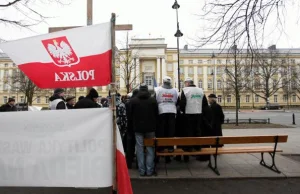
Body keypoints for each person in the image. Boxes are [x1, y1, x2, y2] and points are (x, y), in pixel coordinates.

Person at [128, 84, 158, 176]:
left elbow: (129, 116)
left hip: (138, 128)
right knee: (150, 149)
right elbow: (156, 114)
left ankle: (141, 170)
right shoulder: (153, 100)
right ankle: (149, 170)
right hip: (150, 128)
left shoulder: (133, 101)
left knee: (139, 149)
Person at [180, 78, 208, 160]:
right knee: (197, 130)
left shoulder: (185, 90)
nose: (185, 84)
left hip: (188, 113)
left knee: (189, 131)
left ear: (188, 83)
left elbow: (182, 103)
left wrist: (182, 111)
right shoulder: (200, 90)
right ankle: (198, 147)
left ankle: (189, 147)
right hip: (198, 113)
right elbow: (205, 103)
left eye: (185, 83)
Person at [155, 76, 178, 163]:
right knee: (170, 131)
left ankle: (161, 147)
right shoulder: (174, 90)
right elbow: (176, 100)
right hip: (172, 111)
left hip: (162, 111)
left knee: (162, 131)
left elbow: (156, 100)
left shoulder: (159, 90)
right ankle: (170, 147)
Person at [125, 89, 139, 169]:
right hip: (137, 126)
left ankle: (128, 163)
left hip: (130, 127)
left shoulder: (128, 103)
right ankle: (138, 164)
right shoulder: (137, 102)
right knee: (139, 146)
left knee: (130, 146)